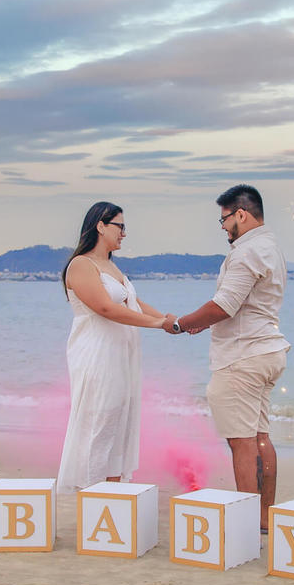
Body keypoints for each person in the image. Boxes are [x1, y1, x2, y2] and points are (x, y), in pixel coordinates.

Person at [175, 185, 289, 531]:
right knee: (260, 437)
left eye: (224, 219)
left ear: (241, 213)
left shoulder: (247, 252)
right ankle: (265, 516)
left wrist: (182, 324)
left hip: (242, 357)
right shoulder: (271, 248)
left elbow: (225, 304)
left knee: (242, 443)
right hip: (267, 351)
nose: (223, 227)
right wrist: (203, 323)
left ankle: (247, 521)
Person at [57, 201, 177, 492]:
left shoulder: (110, 266)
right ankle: (91, 492)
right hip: (97, 353)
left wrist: (170, 320)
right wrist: (156, 324)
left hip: (121, 354)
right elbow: (105, 308)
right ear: (101, 225)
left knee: (118, 421)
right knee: (100, 419)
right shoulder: (81, 265)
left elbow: (131, 302)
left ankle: (111, 494)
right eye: (120, 226)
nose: (124, 233)